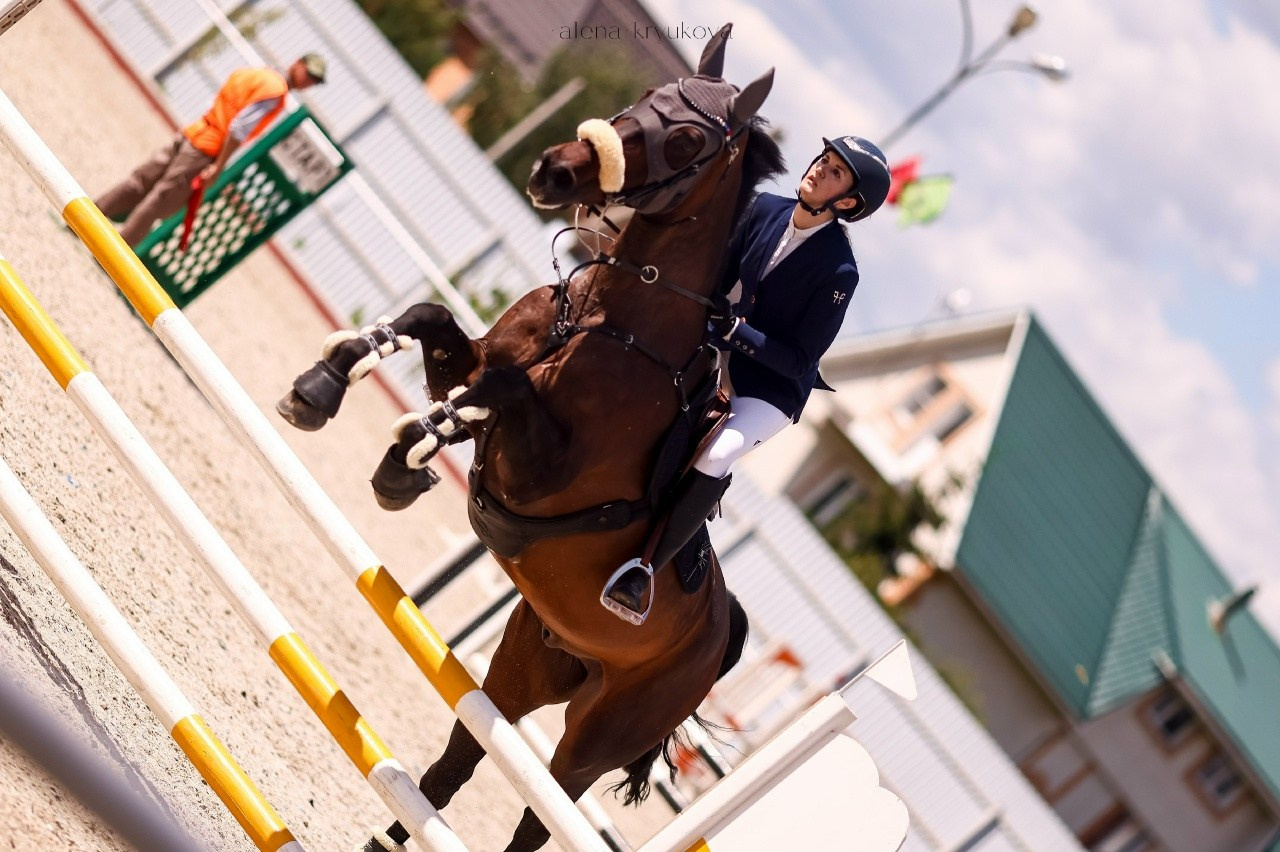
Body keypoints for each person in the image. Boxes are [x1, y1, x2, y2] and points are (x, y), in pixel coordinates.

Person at [603, 134, 892, 621]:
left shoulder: (839, 271)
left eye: (836, 171)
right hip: (717, 348)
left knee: (718, 453)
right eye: (823, 159)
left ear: (846, 202)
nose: (819, 168)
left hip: (769, 389)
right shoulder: (765, 208)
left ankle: (643, 571)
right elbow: (718, 278)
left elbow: (800, 359)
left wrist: (737, 332)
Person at [95, 53, 327, 246]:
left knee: (141, 180)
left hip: (193, 131)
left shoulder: (254, 74)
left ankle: (91, 216)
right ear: (297, 63)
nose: (309, 82)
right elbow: (238, 128)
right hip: (206, 148)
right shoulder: (276, 92)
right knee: (160, 200)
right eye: (310, 74)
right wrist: (218, 166)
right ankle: (114, 251)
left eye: (315, 81)